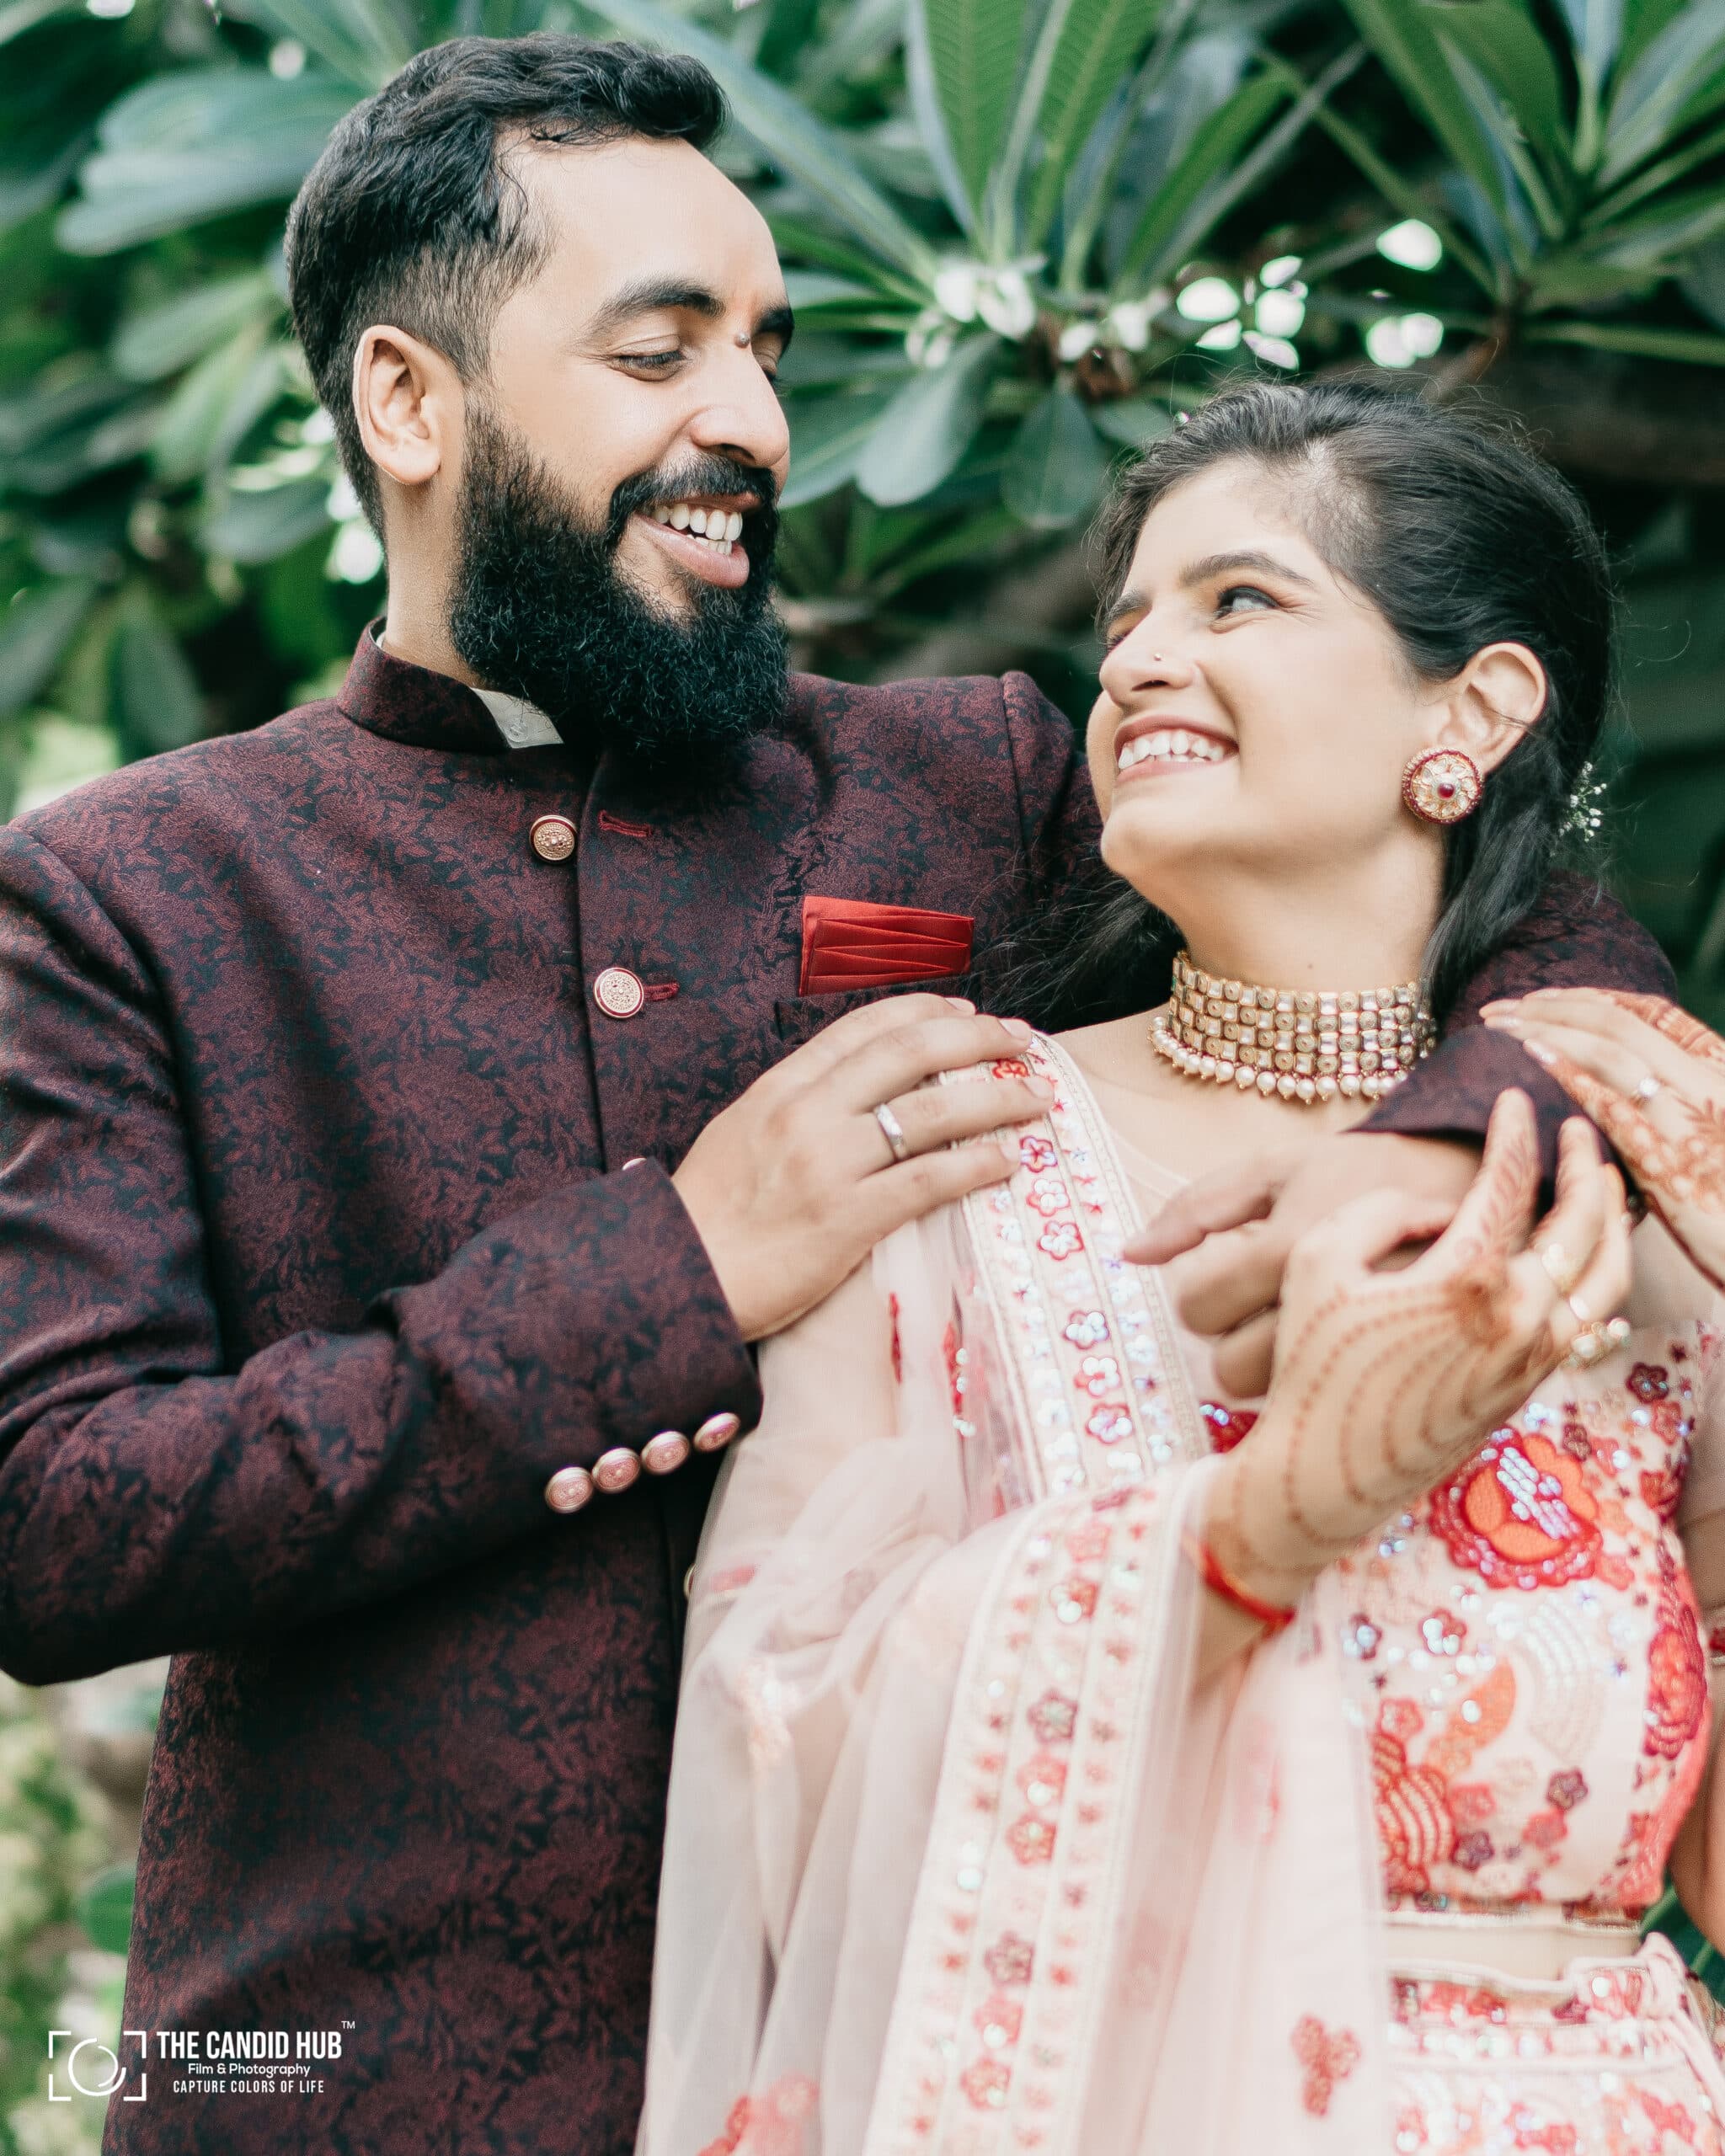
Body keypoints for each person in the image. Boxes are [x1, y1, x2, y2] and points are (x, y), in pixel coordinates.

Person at [0, 35, 1668, 2153]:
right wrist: (671, 1273)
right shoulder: (133, 890)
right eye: (660, 351)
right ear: (409, 403)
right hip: (350, 2078)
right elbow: (53, 1516)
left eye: (769, 349)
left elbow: (1504, 907)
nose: (756, 424)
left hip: (947, 2054)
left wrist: (1427, 1147)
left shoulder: (967, 777)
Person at [638, 383, 1725, 2154]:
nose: (1138, 660)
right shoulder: (960, 1153)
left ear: (1471, 712)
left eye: (1239, 600)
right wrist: (1255, 1529)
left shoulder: (1643, 1190)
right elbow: (779, 1748)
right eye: (1128, 619)